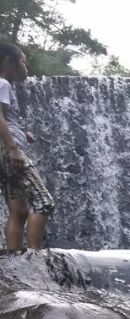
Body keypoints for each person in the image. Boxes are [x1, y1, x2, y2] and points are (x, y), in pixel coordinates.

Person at [0, 42, 53, 250]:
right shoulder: (3, 84)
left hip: (3, 153)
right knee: (44, 202)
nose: (26, 68)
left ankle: (16, 263)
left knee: (18, 210)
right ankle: (35, 260)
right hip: (8, 152)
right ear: (8, 62)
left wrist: (22, 134)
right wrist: (13, 147)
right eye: (23, 62)